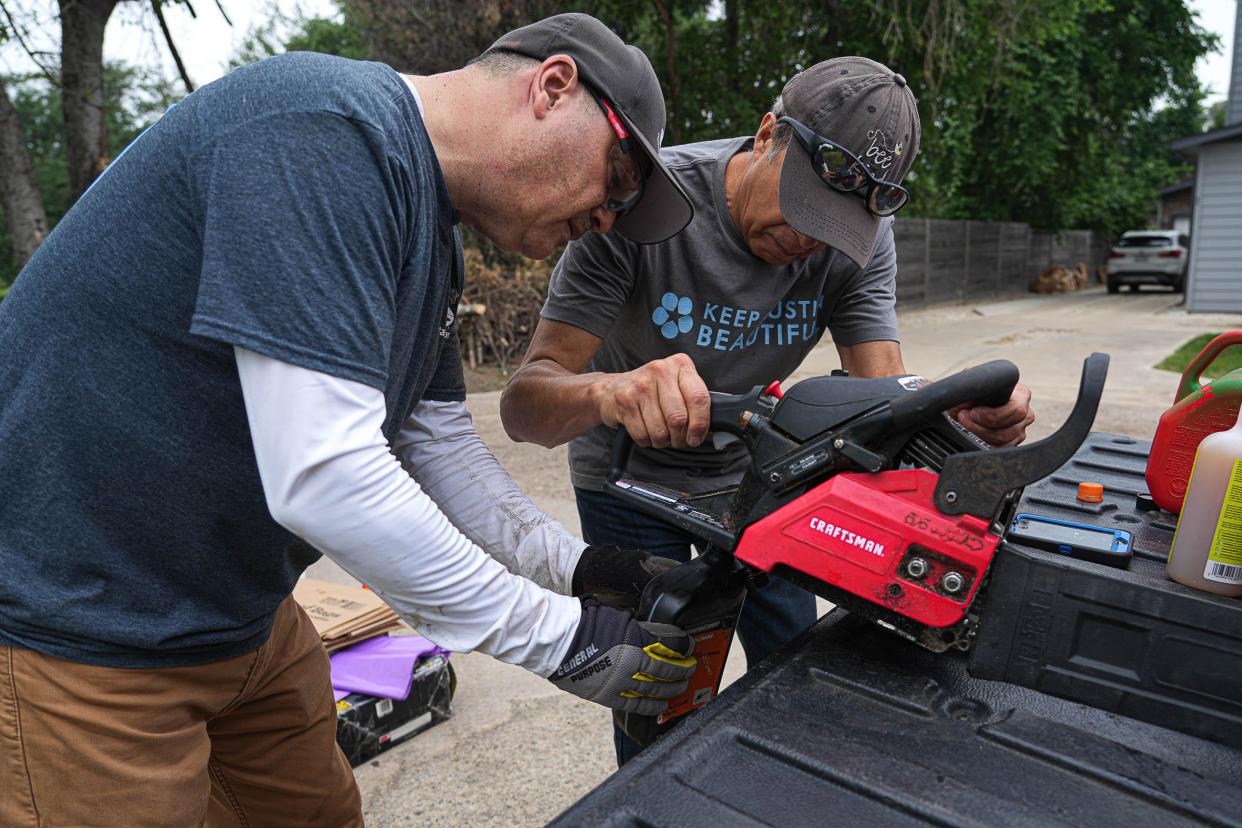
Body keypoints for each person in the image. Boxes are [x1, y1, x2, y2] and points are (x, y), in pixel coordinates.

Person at [0, 14, 701, 826]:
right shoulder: (320, 131)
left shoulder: (429, 236)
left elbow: (435, 448)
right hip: (83, 634)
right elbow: (326, 475)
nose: (610, 218)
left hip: (242, 621)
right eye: (617, 178)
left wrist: (583, 571)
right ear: (552, 87)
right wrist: (558, 638)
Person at [500, 56, 1036, 765]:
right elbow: (525, 404)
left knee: (798, 656)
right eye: (804, 207)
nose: (809, 241)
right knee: (657, 681)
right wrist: (611, 392)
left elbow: (883, 393)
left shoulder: (860, 243)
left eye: (835, 229)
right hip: (626, 473)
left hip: (766, 471)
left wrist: (950, 417)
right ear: (766, 135)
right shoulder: (642, 202)